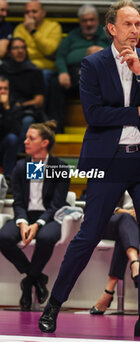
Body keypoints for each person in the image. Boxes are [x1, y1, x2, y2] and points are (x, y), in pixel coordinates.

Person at [38, 0, 140, 339]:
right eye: (129, 24)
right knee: (87, 236)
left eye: (139, 25)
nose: (135, 31)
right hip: (108, 160)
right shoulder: (93, 64)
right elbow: (94, 115)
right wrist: (137, 113)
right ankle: (53, 305)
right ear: (112, 28)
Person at [0, 121, 70, 311]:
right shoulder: (21, 167)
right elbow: (19, 202)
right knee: (4, 237)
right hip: (26, 216)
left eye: (31, 138)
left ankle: (28, 283)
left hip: (51, 216)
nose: (25, 141)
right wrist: (22, 222)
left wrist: (38, 224)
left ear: (45, 143)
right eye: (26, 137)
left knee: (46, 236)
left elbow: (56, 204)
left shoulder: (60, 168)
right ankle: (37, 278)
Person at [47, 4, 109, 132]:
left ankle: (103, 125)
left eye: (91, 20)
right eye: (85, 20)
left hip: (99, 75)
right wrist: (63, 72)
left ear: (97, 20)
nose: (88, 23)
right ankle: (56, 126)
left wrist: (104, 53)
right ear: (79, 21)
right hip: (74, 74)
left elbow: (118, 54)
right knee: (54, 83)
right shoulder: (72, 36)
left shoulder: (107, 35)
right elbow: (60, 56)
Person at [90, 191, 140, 315]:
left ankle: (109, 291)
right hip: (111, 221)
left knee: (124, 235)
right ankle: (135, 262)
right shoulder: (115, 174)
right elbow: (102, 202)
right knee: (126, 221)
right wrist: (126, 212)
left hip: (138, 225)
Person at [0, 37, 45, 151]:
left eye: (22, 48)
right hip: (3, 108)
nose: (20, 51)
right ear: (9, 52)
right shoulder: (2, 70)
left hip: (26, 110)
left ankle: (20, 154)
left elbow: (39, 100)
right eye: (16, 48)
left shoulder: (34, 71)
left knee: (27, 121)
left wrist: (21, 105)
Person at [13, 0, 62, 88]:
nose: (30, 15)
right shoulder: (19, 28)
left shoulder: (54, 27)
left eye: (34, 11)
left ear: (43, 13)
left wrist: (33, 31)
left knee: (41, 75)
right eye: (27, 12)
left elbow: (49, 50)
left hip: (45, 69)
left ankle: (39, 102)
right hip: (24, 67)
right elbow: (17, 52)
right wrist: (39, 52)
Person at [0, 76, 19, 180]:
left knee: (12, 138)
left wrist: (6, 107)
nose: (3, 91)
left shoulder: (13, 105)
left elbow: (15, 131)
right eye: (0, 88)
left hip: (4, 148)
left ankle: (8, 177)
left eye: (5, 88)